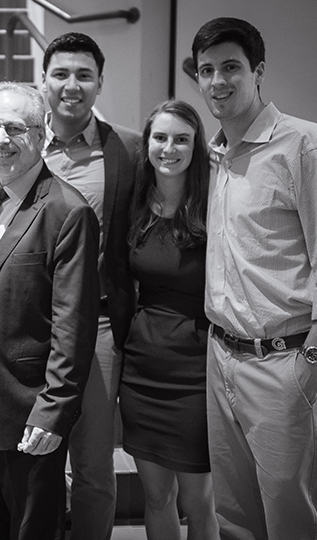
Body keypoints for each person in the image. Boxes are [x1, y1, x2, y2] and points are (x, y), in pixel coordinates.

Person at [0, 81, 101, 539]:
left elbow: (74, 327)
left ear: (44, 131)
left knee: (32, 530)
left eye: (15, 127)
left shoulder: (67, 211)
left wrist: (53, 412)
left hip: (27, 406)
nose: (1, 140)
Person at [192, 17, 317, 539]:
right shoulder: (216, 154)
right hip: (221, 357)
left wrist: (309, 358)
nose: (217, 81)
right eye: (206, 70)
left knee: (289, 514)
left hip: (283, 362)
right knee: (234, 514)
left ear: (258, 71)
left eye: (230, 67)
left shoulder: (302, 146)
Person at [40, 32, 140, 540]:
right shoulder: (15, 143)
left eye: (84, 75)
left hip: (98, 326)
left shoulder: (128, 149)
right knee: (35, 461)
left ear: (100, 83)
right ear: (44, 82)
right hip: (31, 326)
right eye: (61, 74)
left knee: (94, 467)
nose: (71, 86)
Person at [119, 100, 218, 539]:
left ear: (197, 147)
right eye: (160, 137)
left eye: (182, 139)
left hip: (197, 370)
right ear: (147, 144)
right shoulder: (135, 202)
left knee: (197, 501)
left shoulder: (215, 203)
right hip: (143, 369)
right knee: (156, 498)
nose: (169, 148)